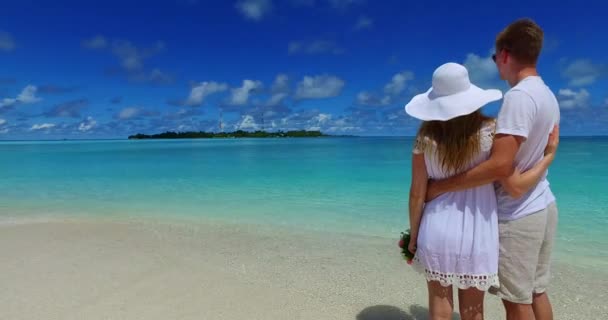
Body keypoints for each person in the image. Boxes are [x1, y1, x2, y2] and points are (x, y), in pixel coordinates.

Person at [425, 19, 561, 320]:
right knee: (536, 292)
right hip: (544, 202)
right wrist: (549, 158)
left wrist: (441, 186)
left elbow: (502, 169)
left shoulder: (518, 97)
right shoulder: (549, 95)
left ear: (504, 55)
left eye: (493, 58)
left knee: (516, 302)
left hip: (519, 211)